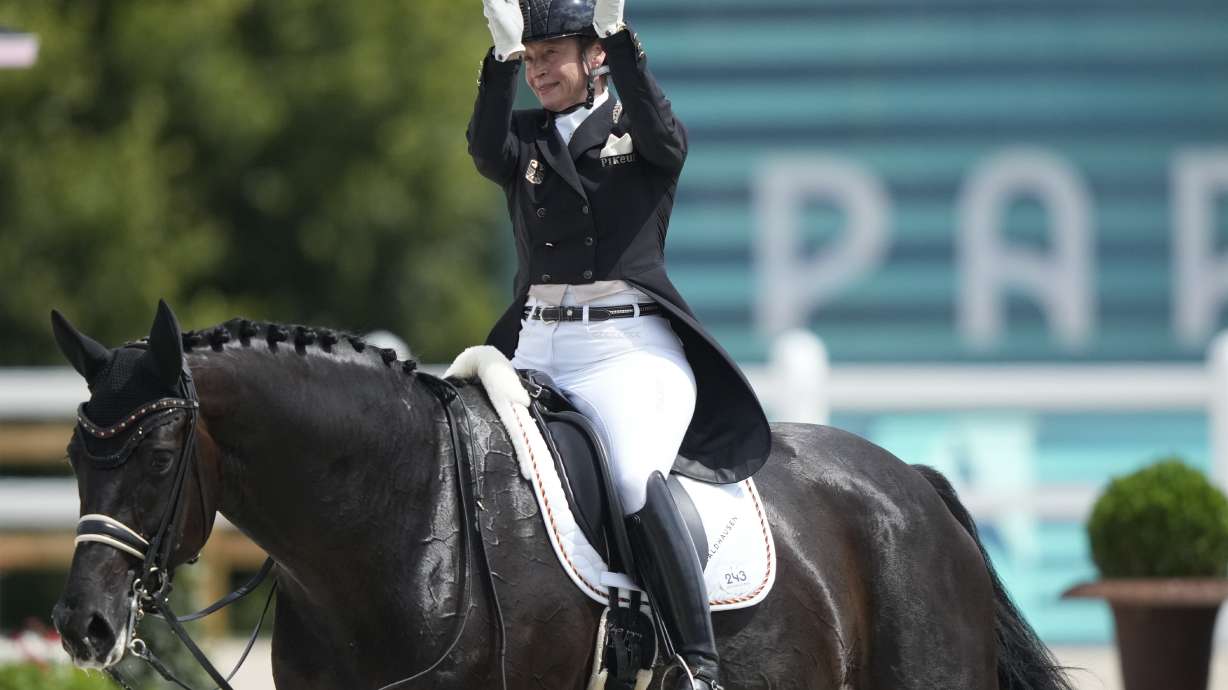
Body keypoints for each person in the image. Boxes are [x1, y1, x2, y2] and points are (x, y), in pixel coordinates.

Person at [467, 1, 771, 688]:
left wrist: (623, 43)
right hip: (539, 344)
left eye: (554, 53)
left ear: (594, 55)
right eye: (532, 56)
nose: (539, 67)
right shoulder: (526, 140)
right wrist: (497, 66)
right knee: (473, 461)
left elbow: (667, 140)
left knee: (634, 476)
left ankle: (697, 664)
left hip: (628, 351)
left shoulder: (641, 135)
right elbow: (485, 151)